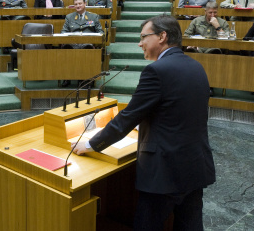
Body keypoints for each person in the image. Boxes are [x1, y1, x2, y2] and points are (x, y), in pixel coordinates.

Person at [72, 14, 215, 230]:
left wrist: (91, 145)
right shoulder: (197, 67)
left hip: (165, 172)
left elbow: (127, 117)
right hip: (194, 166)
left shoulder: (156, 71)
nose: (140, 43)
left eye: (143, 37)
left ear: (162, 36)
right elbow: (177, 110)